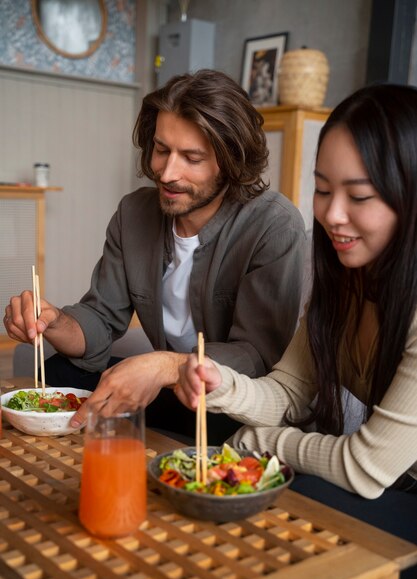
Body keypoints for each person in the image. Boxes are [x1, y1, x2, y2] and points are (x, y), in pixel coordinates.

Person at [176, 83, 417, 579]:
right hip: (397, 482)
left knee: (290, 498)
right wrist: (222, 386)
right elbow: (288, 392)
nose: (331, 215)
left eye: (360, 196)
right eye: (323, 189)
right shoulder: (346, 280)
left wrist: (262, 444)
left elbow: (367, 467)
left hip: (394, 483)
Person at [3, 69, 306, 444]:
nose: (166, 172)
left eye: (191, 157)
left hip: (231, 404)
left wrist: (162, 365)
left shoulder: (273, 224)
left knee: (238, 426)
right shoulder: (133, 214)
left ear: (230, 161)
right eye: (162, 150)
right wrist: (54, 321)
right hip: (168, 387)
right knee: (61, 372)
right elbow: (101, 319)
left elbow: (258, 356)